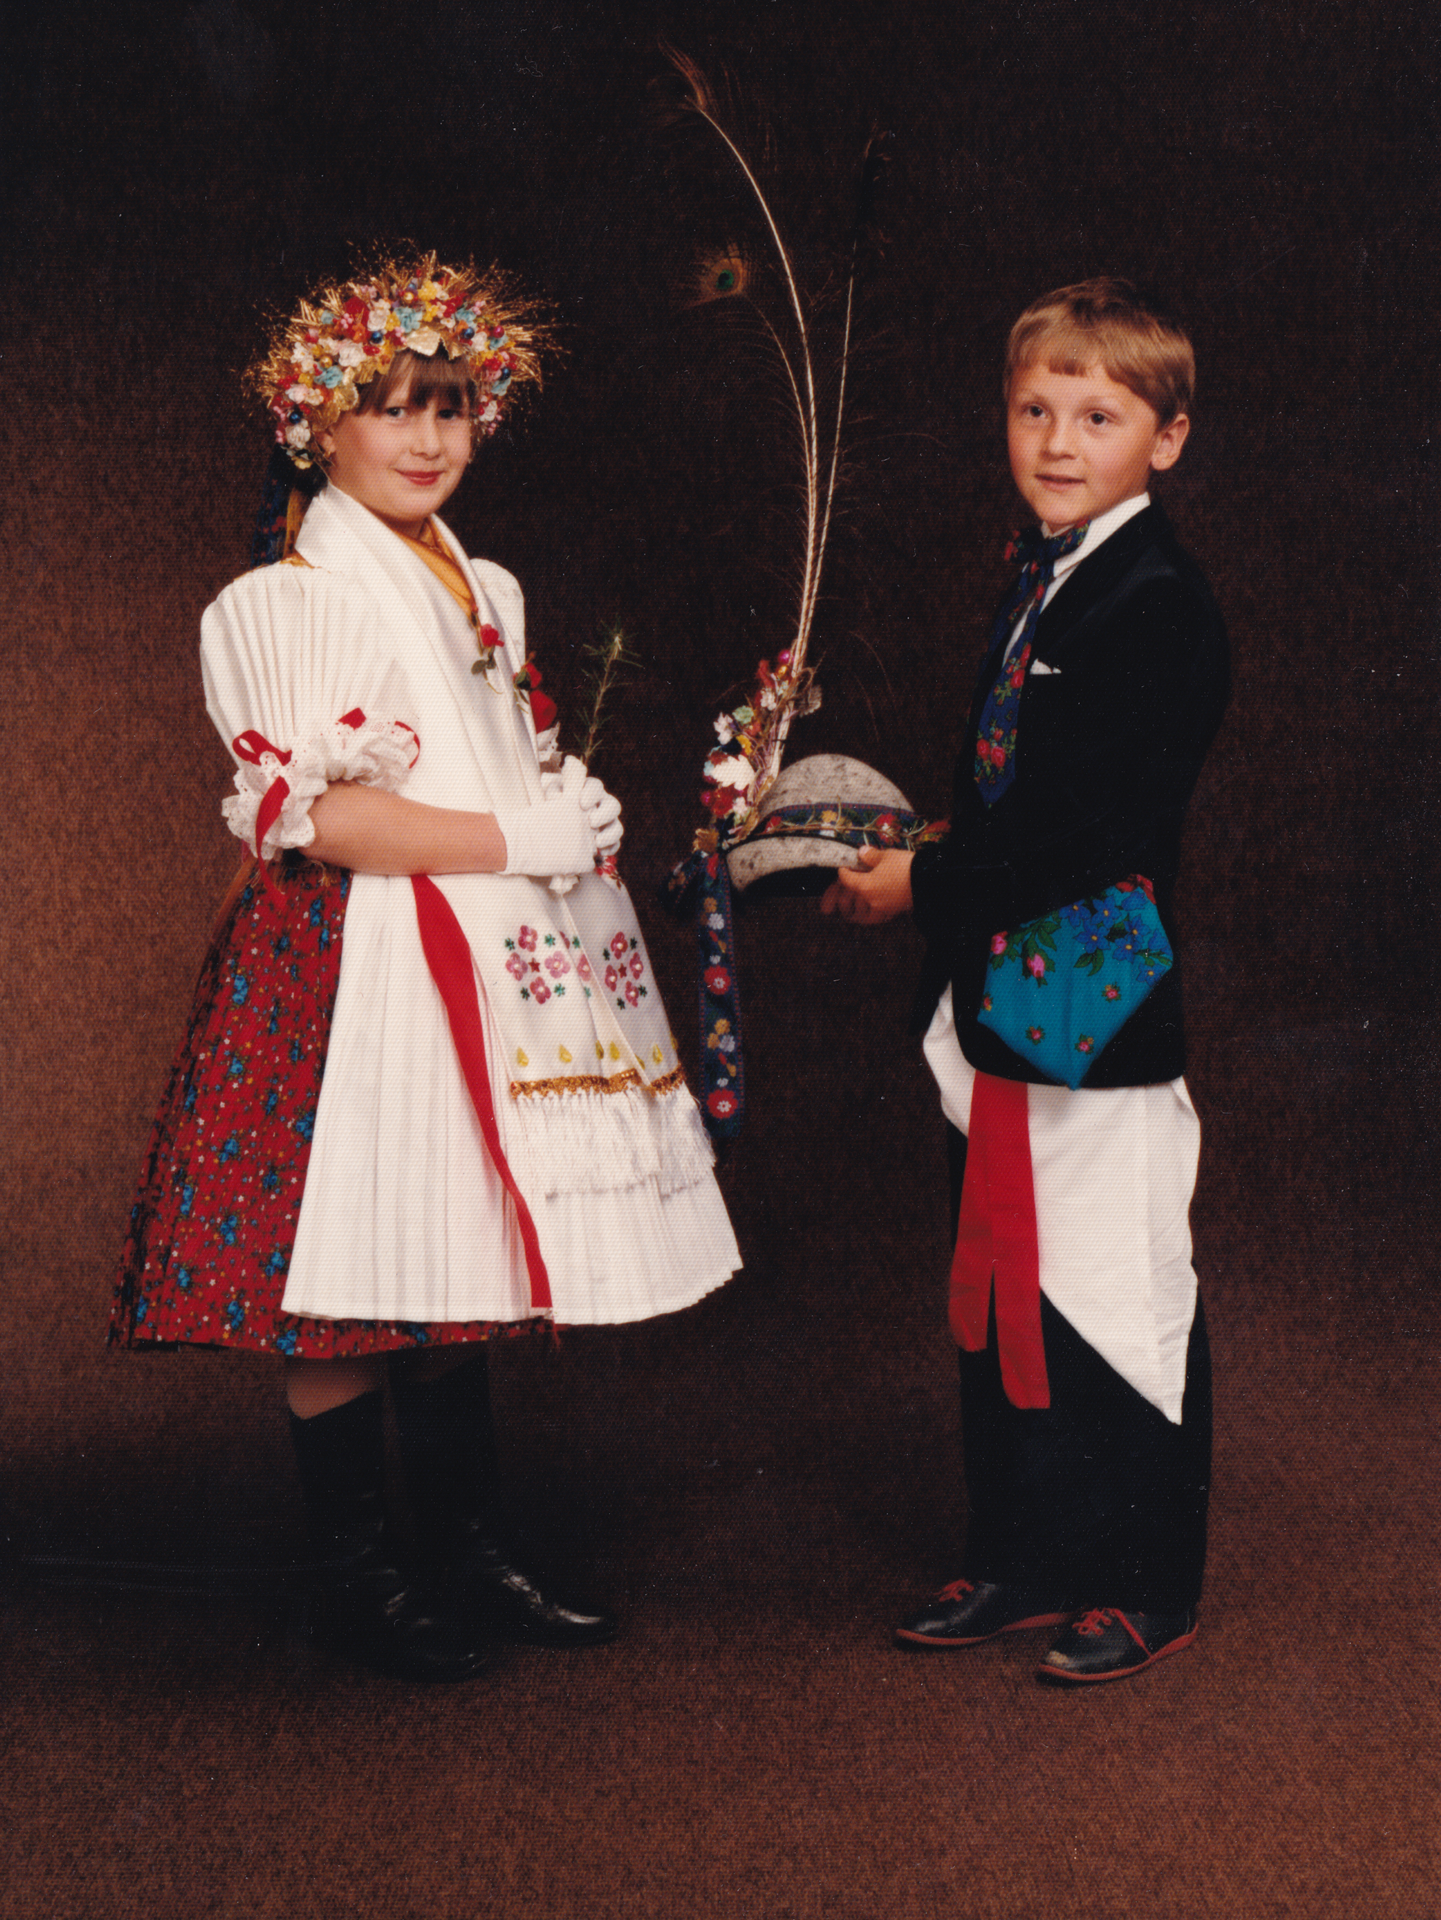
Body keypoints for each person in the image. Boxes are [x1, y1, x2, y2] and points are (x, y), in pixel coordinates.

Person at [112, 253, 741, 1682]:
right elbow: (318, 815)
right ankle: (359, 1577)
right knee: (345, 1256)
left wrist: (558, 812)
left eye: (450, 407)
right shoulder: (290, 596)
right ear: (316, 427)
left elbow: (477, 754)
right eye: (389, 408)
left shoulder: (484, 584)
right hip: (354, 949)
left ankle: (466, 1548)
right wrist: (513, 826)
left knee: (447, 1245)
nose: (426, 437)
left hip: (474, 932)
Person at [824, 278, 1229, 1684]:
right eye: (1037, 408)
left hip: (1093, 986)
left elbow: (1089, 835)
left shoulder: (1159, 600)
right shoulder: (1045, 567)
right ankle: (1023, 1551)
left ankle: (1144, 1580)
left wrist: (920, 888)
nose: (1061, 439)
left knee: (1112, 1283)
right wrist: (923, 845)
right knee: (1000, 1273)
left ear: (1163, 438)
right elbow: (1012, 793)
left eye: (1100, 415)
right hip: (997, 977)